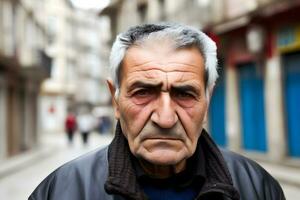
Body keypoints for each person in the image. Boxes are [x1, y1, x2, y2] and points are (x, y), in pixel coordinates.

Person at [29, 23, 285, 200]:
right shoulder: (63, 190)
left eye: (184, 94)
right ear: (115, 101)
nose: (165, 118)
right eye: (143, 93)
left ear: (207, 101)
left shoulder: (256, 187)